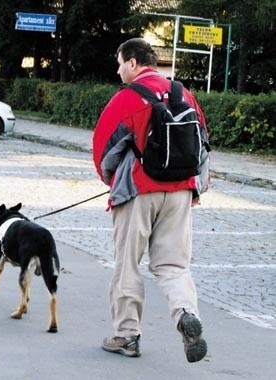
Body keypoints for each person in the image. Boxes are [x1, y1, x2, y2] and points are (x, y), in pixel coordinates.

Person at [92, 38, 210, 363]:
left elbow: (104, 151)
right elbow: (203, 143)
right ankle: (186, 314)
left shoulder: (127, 98)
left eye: (119, 63)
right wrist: (195, 188)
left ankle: (127, 336)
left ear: (132, 63)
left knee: (127, 265)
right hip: (181, 191)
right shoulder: (182, 93)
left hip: (138, 192)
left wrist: (111, 182)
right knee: (173, 265)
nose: (118, 71)